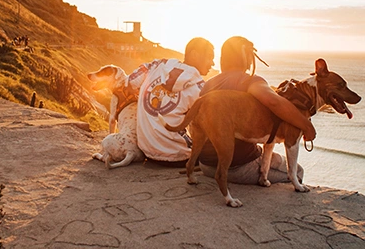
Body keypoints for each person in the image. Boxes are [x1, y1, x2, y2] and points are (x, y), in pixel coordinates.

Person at [198, 36, 317, 184]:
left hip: (205, 164)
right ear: (247, 58)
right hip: (238, 168)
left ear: (223, 58)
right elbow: (274, 102)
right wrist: (307, 126)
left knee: (270, 155)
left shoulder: (208, 85)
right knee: (297, 172)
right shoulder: (248, 81)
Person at [128, 37, 214, 167]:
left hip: (146, 150)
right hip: (178, 156)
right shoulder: (200, 88)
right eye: (210, 57)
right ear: (195, 55)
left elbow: (130, 82)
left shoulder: (156, 65)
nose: (212, 63)